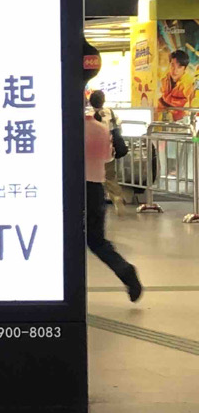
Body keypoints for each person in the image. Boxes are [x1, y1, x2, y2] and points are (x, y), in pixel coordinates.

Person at [85, 90, 142, 303]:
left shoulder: (65, 128)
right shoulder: (100, 128)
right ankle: (125, 271)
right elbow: (107, 156)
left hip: (72, 189)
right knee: (97, 241)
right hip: (95, 189)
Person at [88, 91, 129, 211]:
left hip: (91, 153)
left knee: (94, 178)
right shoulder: (110, 113)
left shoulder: (87, 116)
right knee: (110, 176)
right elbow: (118, 128)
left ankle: (98, 200)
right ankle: (117, 196)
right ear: (103, 101)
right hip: (107, 150)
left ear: (90, 102)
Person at [156, 50, 193, 120]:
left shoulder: (188, 83)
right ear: (169, 64)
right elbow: (162, 99)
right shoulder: (164, 79)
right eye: (172, 65)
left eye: (179, 67)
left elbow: (189, 105)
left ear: (184, 69)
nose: (175, 70)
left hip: (182, 120)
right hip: (165, 118)